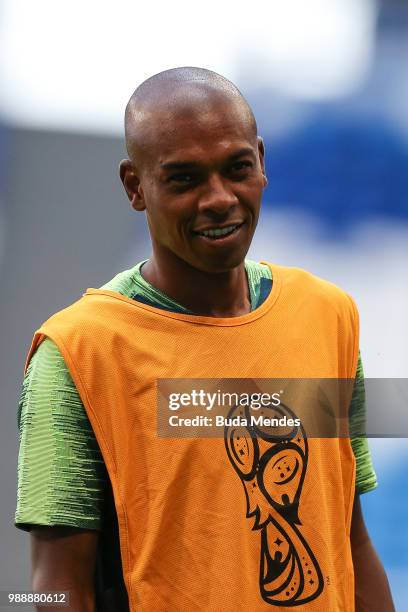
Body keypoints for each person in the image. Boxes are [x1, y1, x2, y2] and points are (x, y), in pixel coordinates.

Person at [15, 67, 394, 611]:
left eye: (236, 168)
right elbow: (55, 583)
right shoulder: (77, 353)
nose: (218, 199)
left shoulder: (327, 316)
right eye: (184, 178)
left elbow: (349, 540)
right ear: (134, 187)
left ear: (261, 162)